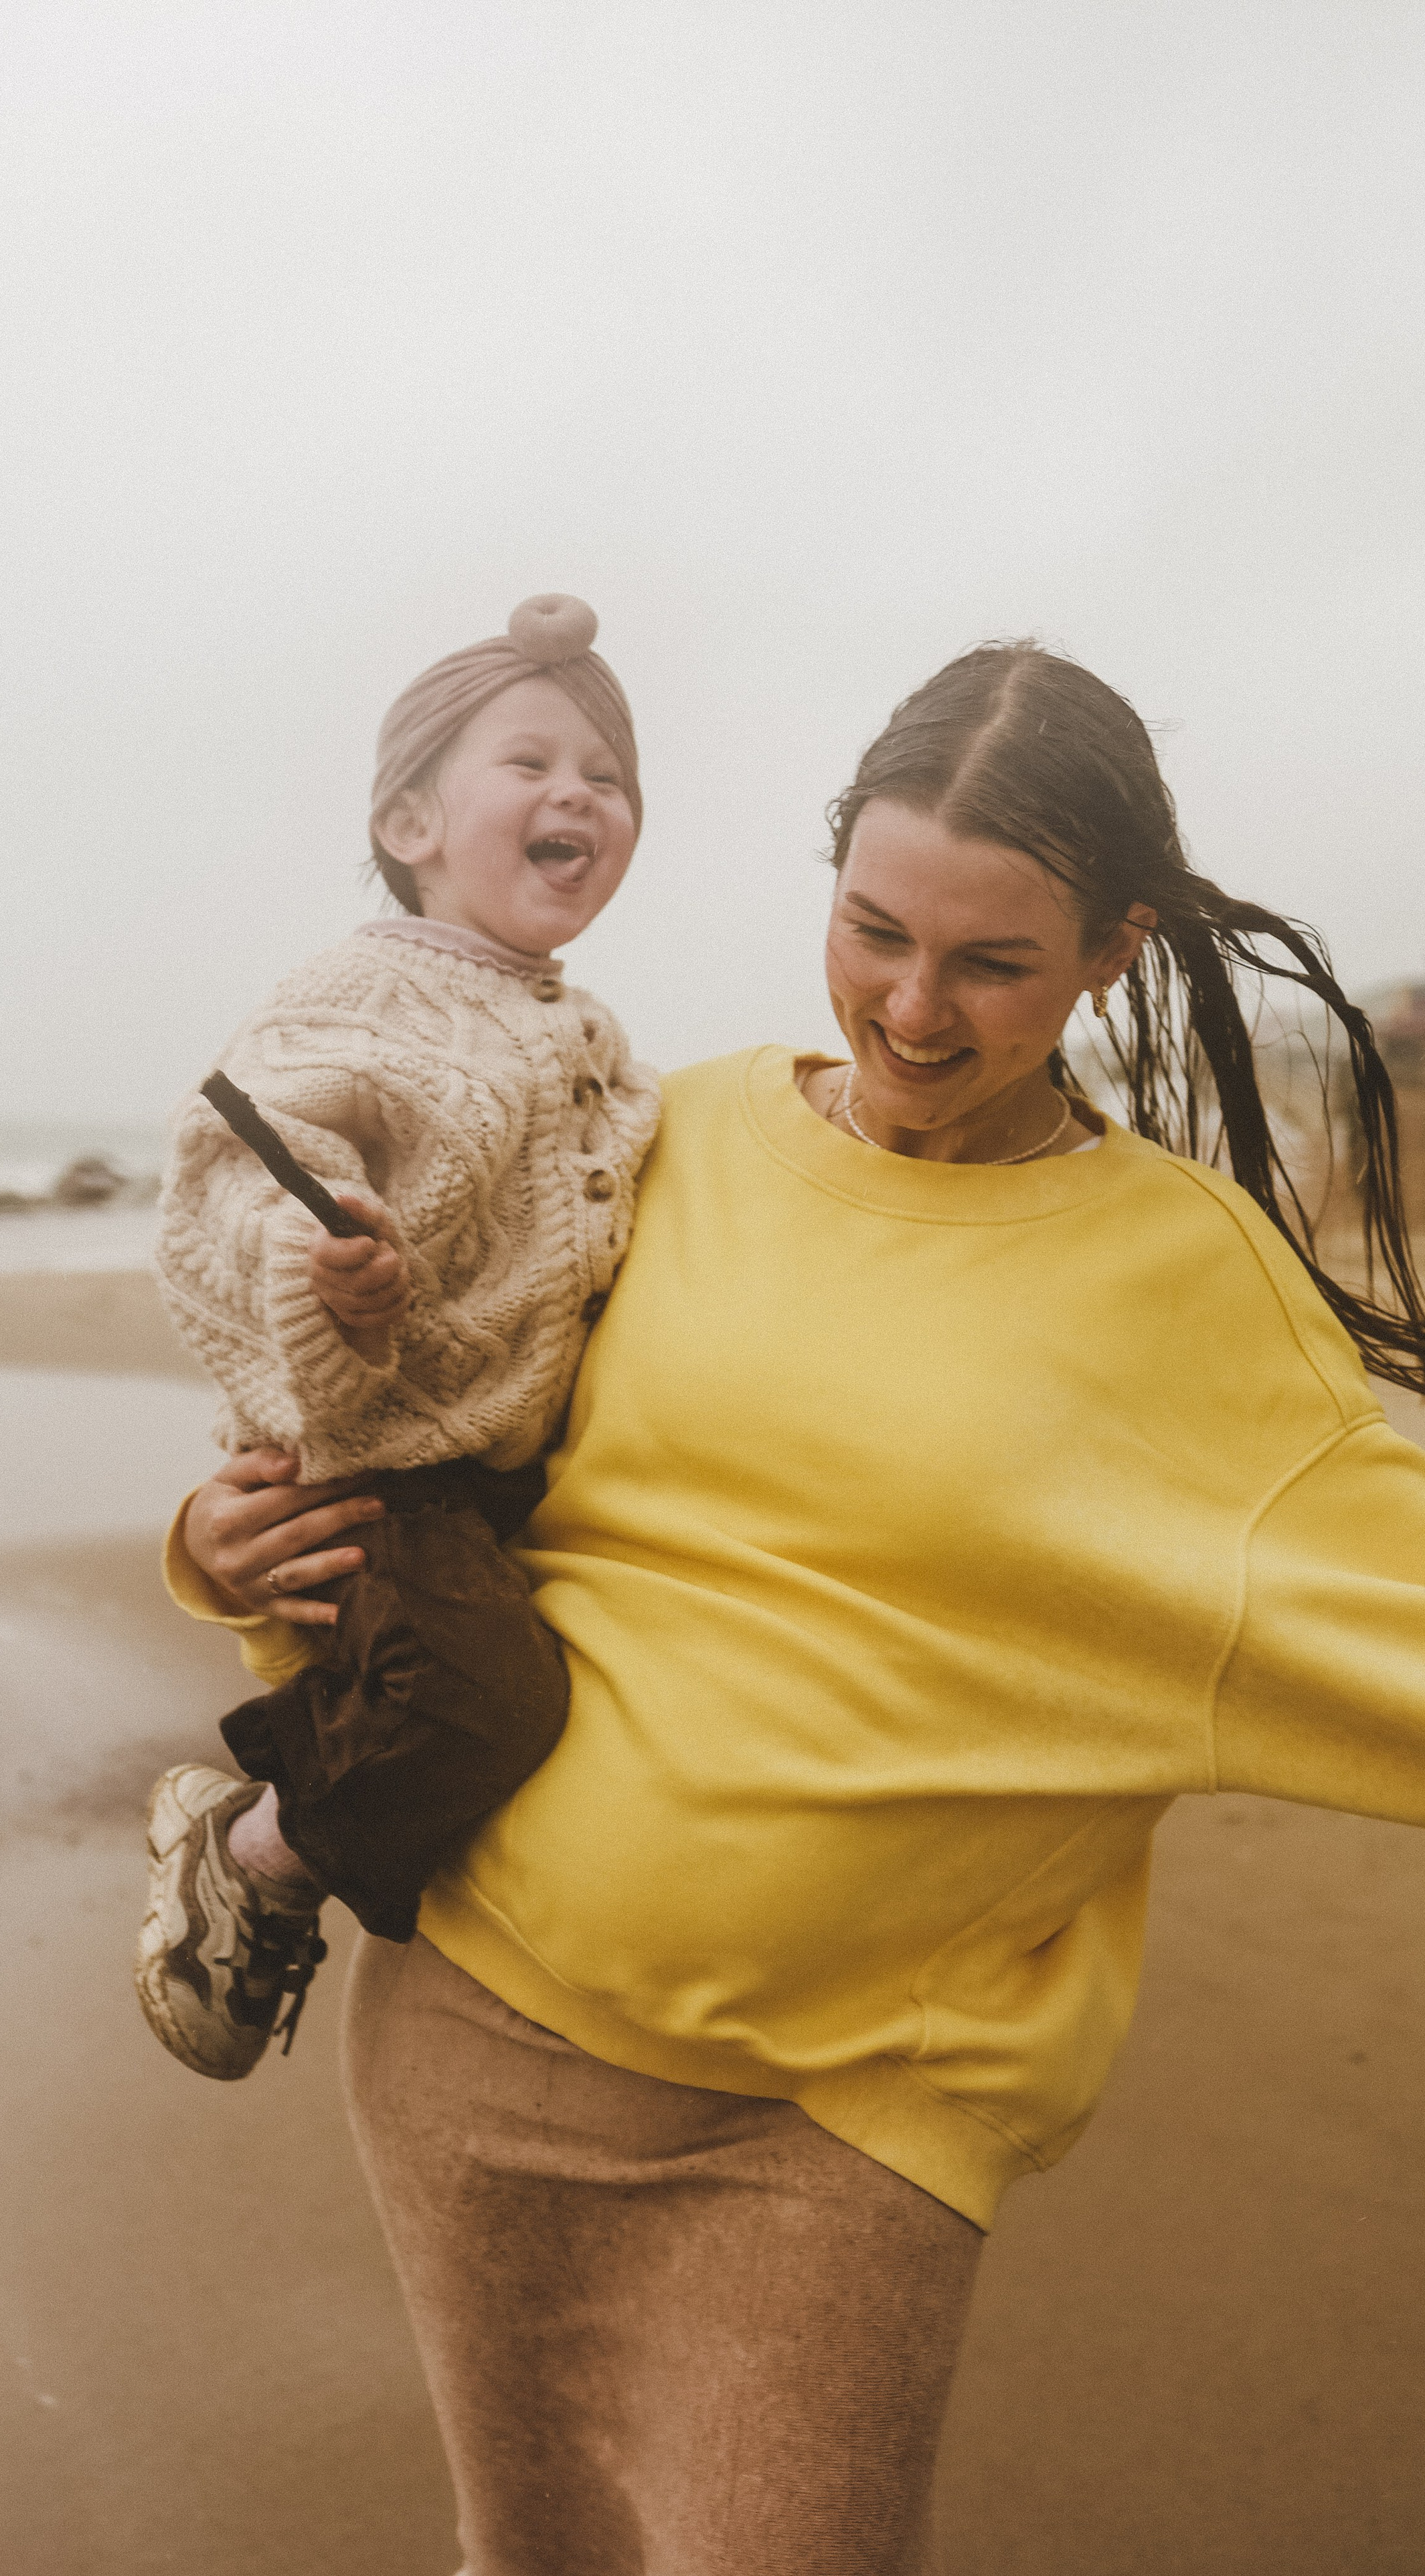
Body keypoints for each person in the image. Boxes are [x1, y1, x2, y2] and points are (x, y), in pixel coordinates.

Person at [171, 641, 1425, 2576]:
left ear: (1115, 949)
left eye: (993, 963)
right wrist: (219, 1545)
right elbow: (440, 1458)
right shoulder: (675, 1138)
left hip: (832, 2134)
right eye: (873, 929)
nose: (913, 1009)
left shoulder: (1191, 1288)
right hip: (466, 2033)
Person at [135, 595, 659, 2079]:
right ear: (410, 816)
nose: (577, 794)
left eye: (608, 776)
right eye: (531, 762)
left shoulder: (590, 1036)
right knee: (486, 1703)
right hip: (375, 1461)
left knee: (480, 1690)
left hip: (489, 1471)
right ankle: (252, 1848)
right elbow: (226, 1176)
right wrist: (324, 1263)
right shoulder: (357, 995)